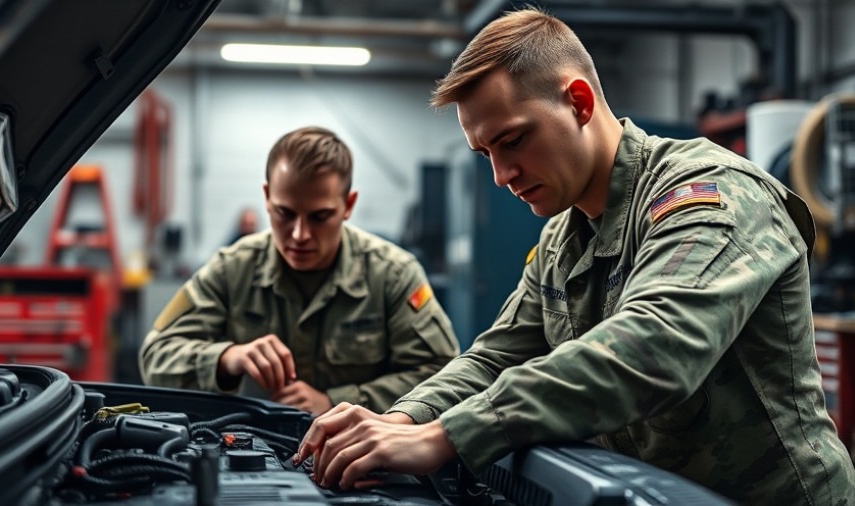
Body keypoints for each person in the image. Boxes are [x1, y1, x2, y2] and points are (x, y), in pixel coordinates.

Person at [292, 8, 855, 504]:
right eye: (485, 153)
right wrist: (401, 420)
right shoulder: (564, 238)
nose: (501, 175)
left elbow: (654, 348)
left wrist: (448, 436)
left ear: (578, 101)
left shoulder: (708, 193)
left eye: (513, 140)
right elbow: (495, 357)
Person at [139, 126, 460, 416]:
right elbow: (155, 356)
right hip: (254, 447)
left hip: (360, 454)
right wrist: (227, 358)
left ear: (348, 205)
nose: (299, 234)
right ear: (267, 198)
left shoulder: (393, 275)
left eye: (320, 216)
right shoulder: (232, 269)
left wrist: (338, 402)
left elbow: (442, 375)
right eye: (285, 213)